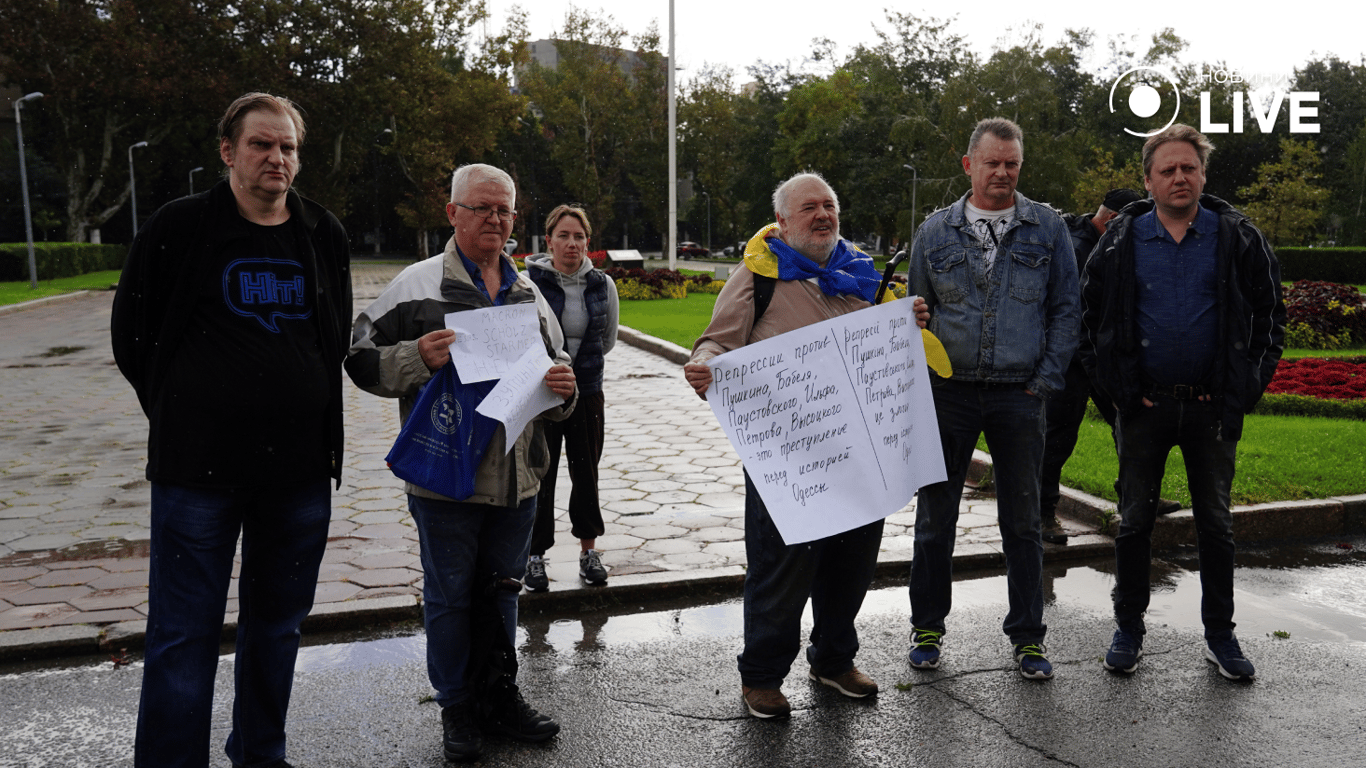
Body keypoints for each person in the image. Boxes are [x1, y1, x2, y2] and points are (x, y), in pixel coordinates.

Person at [111, 92, 351, 768]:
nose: (276, 158)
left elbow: (329, 338)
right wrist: (186, 409)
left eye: (287, 147)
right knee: (182, 637)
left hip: (299, 477)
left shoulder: (321, 232)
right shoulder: (179, 227)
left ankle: (260, 754)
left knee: (276, 631)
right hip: (198, 474)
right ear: (228, 151)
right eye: (260, 145)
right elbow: (133, 336)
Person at [345, 163, 575, 760]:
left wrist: (563, 389)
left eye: (504, 210)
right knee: (449, 598)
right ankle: (457, 710)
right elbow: (357, 354)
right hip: (446, 478)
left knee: (502, 593)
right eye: (481, 208)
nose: (494, 219)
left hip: (518, 481)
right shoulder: (417, 286)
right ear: (452, 214)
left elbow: (557, 383)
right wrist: (416, 357)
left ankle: (500, 699)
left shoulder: (529, 294)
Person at [684, 172, 929, 719]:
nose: (823, 215)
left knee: (852, 563)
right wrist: (703, 364)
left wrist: (907, 319)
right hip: (787, 459)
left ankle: (834, 662)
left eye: (830, 206)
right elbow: (717, 340)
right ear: (784, 222)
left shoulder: (862, 272)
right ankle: (763, 677)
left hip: (861, 453)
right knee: (781, 566)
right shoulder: (759, 275)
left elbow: (890, 342)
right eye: (809, 208)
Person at [1079, 125, 1284, 680]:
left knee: (1216, 526)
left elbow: (1270, 318)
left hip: (1212, 410)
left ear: (1202, 174)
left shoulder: (1237, 236)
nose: (1178, 177)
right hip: (1143, 410)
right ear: (1148, 180)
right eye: (1167, 170)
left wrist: (1246, 386)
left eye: (1188, 168)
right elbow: (1086, 320)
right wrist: (1117, 393)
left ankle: (1221, 636)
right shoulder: (1121, 241)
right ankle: (1128, 629)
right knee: (1134, 523)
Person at [906, 117, 1079, 680]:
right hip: (947, 394)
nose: (1002, 172)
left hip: (1019, 396)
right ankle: (927, 627)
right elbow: (916, 316)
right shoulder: (934, 233)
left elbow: (1065, 311)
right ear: (968, 165)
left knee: (1023, 523)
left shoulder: (1047, 229)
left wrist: (1046, 382)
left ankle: (1028, 637)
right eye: (992, 163)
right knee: (936, 519)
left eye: (1012, 163)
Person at [522, 204, 619, 589]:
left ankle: (588, 551)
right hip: (543, 396)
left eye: (579, 236)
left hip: (589, 392)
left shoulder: (602, 284)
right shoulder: (528, 283)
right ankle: (534, 557)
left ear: (587, 242)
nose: (571, 243)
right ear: (548, 241)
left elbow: (607, 339)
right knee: (540, 475)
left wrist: (580, 375)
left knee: (587, 473)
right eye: (563, 235)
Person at [1041, 188, 1144, 544]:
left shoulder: (1110, 240)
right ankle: (1042, 514)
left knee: (1129, 425)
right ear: (1113, 219)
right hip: (1070, 359)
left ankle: (1137, 498)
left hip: (1103, 354)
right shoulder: (1075, 246)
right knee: (1058, 436)